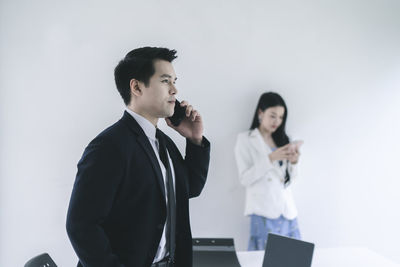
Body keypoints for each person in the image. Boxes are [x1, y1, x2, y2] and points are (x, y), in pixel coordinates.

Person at [66, 47, 210, 267]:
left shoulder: (163, 142)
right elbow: (81, 226)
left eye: (174, 81)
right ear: (136, 87)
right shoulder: (109, 146)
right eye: (165, 81)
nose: (174, 90)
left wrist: (194, 139)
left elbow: (189, 188)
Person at [234, 92, 301, 251]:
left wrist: (294, 162)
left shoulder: (284, 140)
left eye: (281, 117)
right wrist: (270, 158)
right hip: (263, 212)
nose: (277, 121)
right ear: (260, 113)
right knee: (263, 260)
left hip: (287, 212)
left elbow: (290, 181)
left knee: (293, 259)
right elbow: (245, 179)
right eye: (272, 116)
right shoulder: (245, 139)